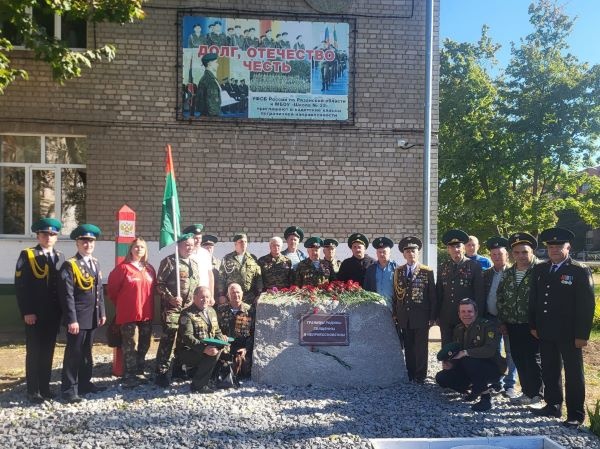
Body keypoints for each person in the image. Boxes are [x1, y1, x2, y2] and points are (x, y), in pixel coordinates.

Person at [529, 227, 595, 428]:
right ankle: (553, 405)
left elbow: (586, 305)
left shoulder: (578, 270)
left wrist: (582, 334)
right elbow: (534, 299)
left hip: (570, 333)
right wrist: (533, 325)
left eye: (559, 246)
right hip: (546, 330)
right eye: (551, 247)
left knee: (574, 375)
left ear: (568, 248)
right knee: (550, 370)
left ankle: (575, 413)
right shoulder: (540, 269)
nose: (554, 250)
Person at [15, 218, 65, 403]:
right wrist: (27, 311)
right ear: (38, 236)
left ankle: (45, 387)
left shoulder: (60, 257)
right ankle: (33, 390)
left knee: (48, 351)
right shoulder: (27, 255)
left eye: (52, 234)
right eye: (45, 234)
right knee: (34, 351)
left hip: (53, 314)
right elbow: (21, 286)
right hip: (34, 314)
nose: (48, 237)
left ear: (56, 237)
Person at [59, 224, 106, 403]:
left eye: (91, 241)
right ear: (77, 243)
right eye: (84, 241)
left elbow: (99, 290)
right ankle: (69, 389)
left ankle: (85, 384)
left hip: (92, 317)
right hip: (78, 318)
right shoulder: (70, 265)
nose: (88, 245)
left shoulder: (95, 262)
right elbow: (67, 295)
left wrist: (102, 312)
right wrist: (72, 319)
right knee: (74, 353)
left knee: (87, 352)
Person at [497, 232, 543, 406]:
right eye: (516, 252)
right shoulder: (509, 273)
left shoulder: (541, 270)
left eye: (524, 252)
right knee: (518, 357)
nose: (521, 256)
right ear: (512, 254)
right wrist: (502, 321)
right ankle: (526, 392)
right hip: (513, 323)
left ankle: (537, 394)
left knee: (533, 359)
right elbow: (500, 297)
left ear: (532, 252)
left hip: (533, 324)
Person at [435, 299, 505, 412]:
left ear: (476, 313)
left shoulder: (487, 326)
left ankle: (486, 398)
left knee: (469, 359)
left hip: (491, 368)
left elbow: (490, 350)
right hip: (470, 369)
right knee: (442, 377)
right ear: (459, 314)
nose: (466, 314)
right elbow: (456, 351)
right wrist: (450, 364)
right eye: (463, 311)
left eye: (469, 311)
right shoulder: (458, 329)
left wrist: (465, 352)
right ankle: (474, 389)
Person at [107, 237, 156, 388]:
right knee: (130, 344)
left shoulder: (149, 269)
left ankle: (140, 370)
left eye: (142, 247)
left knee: (144, 343)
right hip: (129, 314)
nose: (139, 249)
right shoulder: (123, 268)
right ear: (131, 249)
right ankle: (129, 375)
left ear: (145, 250)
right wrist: (123, 305)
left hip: (146, 313)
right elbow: (112, 290)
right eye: (136, 247)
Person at [154, 233, 199, 387]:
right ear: (179, 245)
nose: (189, 248)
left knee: (184, 339)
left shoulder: (194, 264)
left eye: (192, 245)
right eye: (186, 245)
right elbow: (159, 285)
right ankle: (161, 372)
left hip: (188, 309)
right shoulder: (170, 261)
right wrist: (170, 298)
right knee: (168, 339)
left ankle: (178, 368)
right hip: (172, 309)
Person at [393, 236, 436, 384]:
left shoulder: (426, 271)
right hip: (404, 315)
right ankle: (410, 373)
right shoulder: (399, 271)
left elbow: (432, 296)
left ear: (418, 253)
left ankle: (420, 375)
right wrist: (395, 314)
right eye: (408, 252)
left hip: (421, 315)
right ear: (404, 254)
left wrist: (432, 316)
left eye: (413, 251)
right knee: (409, 346)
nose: (411, 254)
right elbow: (396, 295)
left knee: (421, 347)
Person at [482, 236, 517, 398]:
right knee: (493, 350)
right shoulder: (486, 274)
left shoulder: (513, 273)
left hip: (509, 319)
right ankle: (497, 382)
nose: (496, 257)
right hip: (490, 318)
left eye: (500, 254)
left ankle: (510, 385)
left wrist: (505, 320)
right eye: (493, 254)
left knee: (510, 352)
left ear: (507, 255)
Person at [436, 229, 484, 346]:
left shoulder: (474, 266)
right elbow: (439, 293)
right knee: (447, 349)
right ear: (448, 249)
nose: (455, 250)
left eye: (458, 246)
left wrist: (478, 316)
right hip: (446, 317)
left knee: (466, 348)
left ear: (463, 248)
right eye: (452, 247)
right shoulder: (443, 267)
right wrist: (437, 315)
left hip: (467, 317)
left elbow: (479, 293)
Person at [175, 286, 226, 393]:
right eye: (202, 297)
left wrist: (222, 339)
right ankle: (198, 385)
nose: (205, 300)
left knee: (224, 350)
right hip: (188, 351)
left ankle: (208, 377)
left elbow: (217, 331)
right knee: (213, 352)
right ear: (194, 298)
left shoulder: (211, 311)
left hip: (206, 346)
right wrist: (204, 349)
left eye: (207, 297)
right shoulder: (187, 313)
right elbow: (187, 337)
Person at [216, 283, 254, 379]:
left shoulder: (250, 311)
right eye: (232, 293)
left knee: (244, 368)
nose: (236, 295)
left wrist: (246, 349)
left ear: (242, 293)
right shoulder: (221, 310)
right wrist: (221, 337)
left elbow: (253, 333)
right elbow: (215, 329)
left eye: (238, 292)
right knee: (220, 364)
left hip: (242, 346)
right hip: (225, 345)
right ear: (228, 295)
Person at [218, 233, 263, 307]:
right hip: (232, 297)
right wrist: (221, 295)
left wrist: (259, 294)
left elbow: (258, 277)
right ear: (235, 244)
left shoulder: (252, 258)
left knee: (249, 314)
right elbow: (221, 277)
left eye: (245, 242)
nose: (244, 244)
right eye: (241, 242)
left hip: (249, 297)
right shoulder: (227, 258)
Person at [364, 237, 398, 311]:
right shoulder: (371, 269)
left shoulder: (397, 269)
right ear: (376, 253)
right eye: (379, 252)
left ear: (390, 253)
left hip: (392, 310)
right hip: (374, 309)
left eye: (384, 252)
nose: (381, 254)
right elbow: (366, 289)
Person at [182, 224, 214, 295]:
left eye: (200, 238)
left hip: (204, 293)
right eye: (195, 238)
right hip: (189, 294)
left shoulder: (205, 253)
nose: (198, 241)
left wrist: (211, 295)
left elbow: (210, 275)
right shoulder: (185, 254)